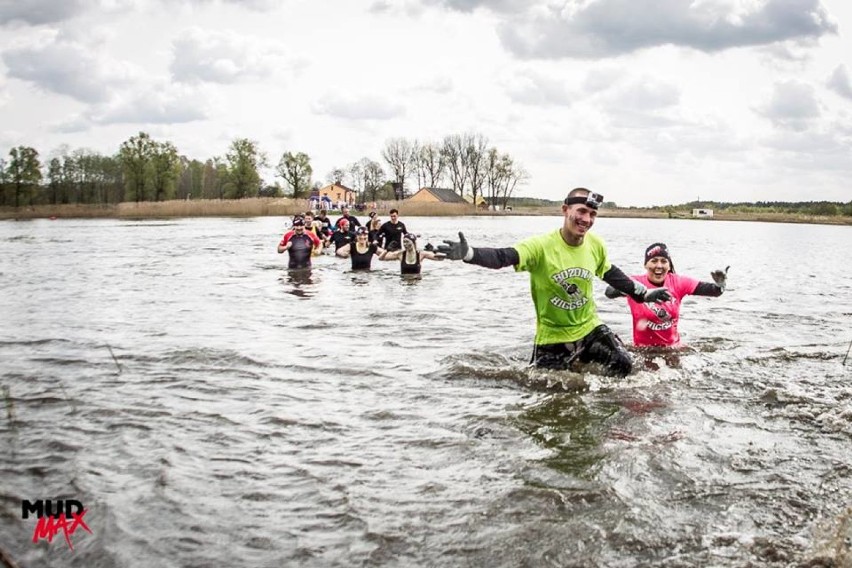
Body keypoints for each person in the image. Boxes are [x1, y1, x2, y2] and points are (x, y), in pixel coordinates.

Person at [436, 187, 672, 377]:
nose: (586, 220)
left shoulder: (595, 245)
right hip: (552, 337)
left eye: (592, 215)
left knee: (624, 365)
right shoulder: (540, 246)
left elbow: (610, 273)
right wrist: (470, 254)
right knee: (549, 389)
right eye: (581, 212)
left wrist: (643, 294)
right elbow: (503, 257)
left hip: (589, 328)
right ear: (565, 210)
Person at [604, 242, 728, 347]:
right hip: (642, 349)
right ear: (645, 265)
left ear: (669, 265)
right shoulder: (635, 283)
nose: (659, 266)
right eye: (654, 261)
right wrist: (636, 290)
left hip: (672, 349)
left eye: (664, 261)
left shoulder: (679, 282)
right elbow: (609, 292)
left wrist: (720, 284)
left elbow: (715, 291)